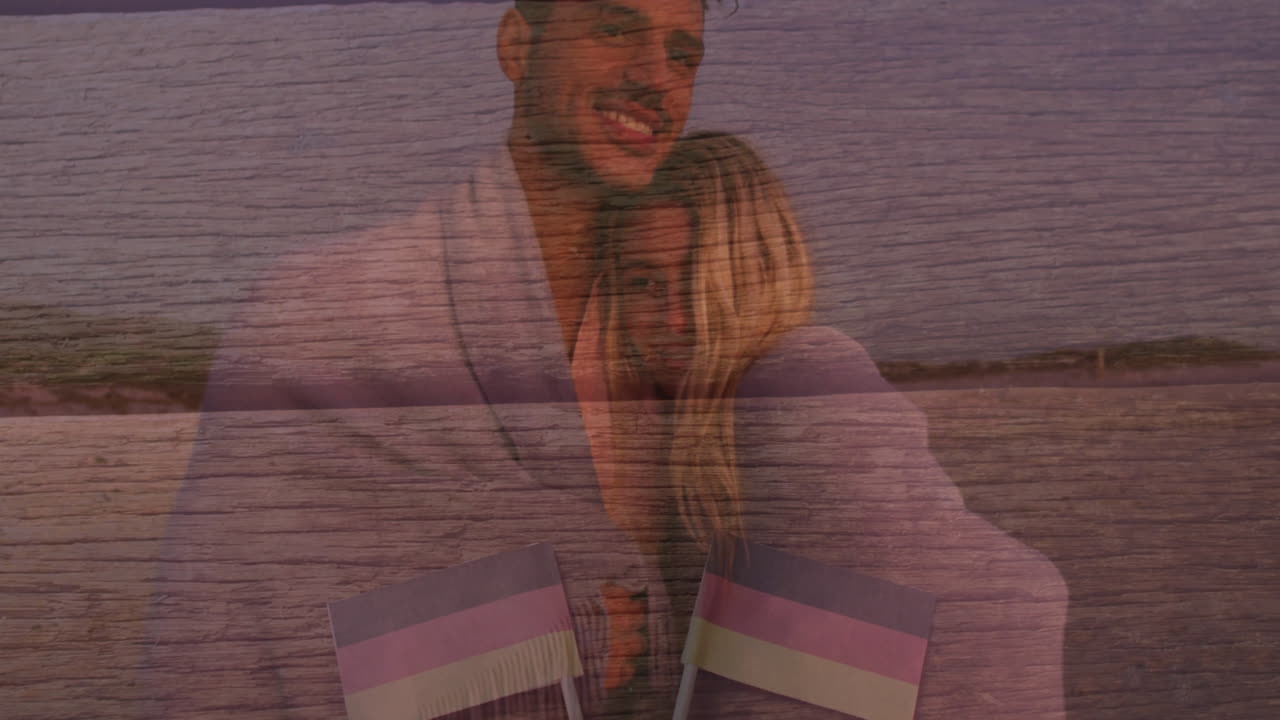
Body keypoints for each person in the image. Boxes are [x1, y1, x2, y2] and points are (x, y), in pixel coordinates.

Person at [141, 1, 1068, 717]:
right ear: (517, 44)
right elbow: (224, 643)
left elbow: (987, 602)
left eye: (684, 51)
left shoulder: (748, 375)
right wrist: (563, 608)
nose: (655, 76)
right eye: (614, 29)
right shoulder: (328, 305)